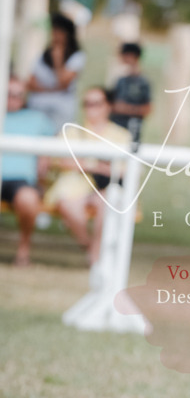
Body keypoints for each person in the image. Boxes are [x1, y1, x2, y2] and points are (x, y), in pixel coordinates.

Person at [44, 86, 131, 264]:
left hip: (104, 187)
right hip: (75, 186)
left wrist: (85, 165)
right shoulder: (72, 131)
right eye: (87, 104)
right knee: (68, 203)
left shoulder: (121, 135)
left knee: (107, 203)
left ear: (108, 106)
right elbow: (58, 161)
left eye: (96, 103)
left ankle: (95, 254)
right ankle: (92, 249)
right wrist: (97, 165)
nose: (91, 108)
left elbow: (127, 169)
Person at [1, 76, 54, 266]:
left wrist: (44, 161)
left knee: (28, 199)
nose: (13, 98)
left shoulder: (37, 119)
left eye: (18, 94)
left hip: (20, 181)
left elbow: (50, 147)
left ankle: (23, 249)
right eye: (8, 94)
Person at [26, 12, 86, 130]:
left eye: (59, 32)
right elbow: (30, 83)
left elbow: (63, 83)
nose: (55, 35)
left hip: (61, 112)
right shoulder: (42, 55)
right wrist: (52, 90)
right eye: (54, 31)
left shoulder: (77, 56)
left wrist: (58, 61)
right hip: (38, 108)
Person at [109, 42, 152, 144]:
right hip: (114, 128)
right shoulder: (120, 80)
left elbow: (148, 109)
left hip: (132, 130)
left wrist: (125, 108)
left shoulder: (143, 82)